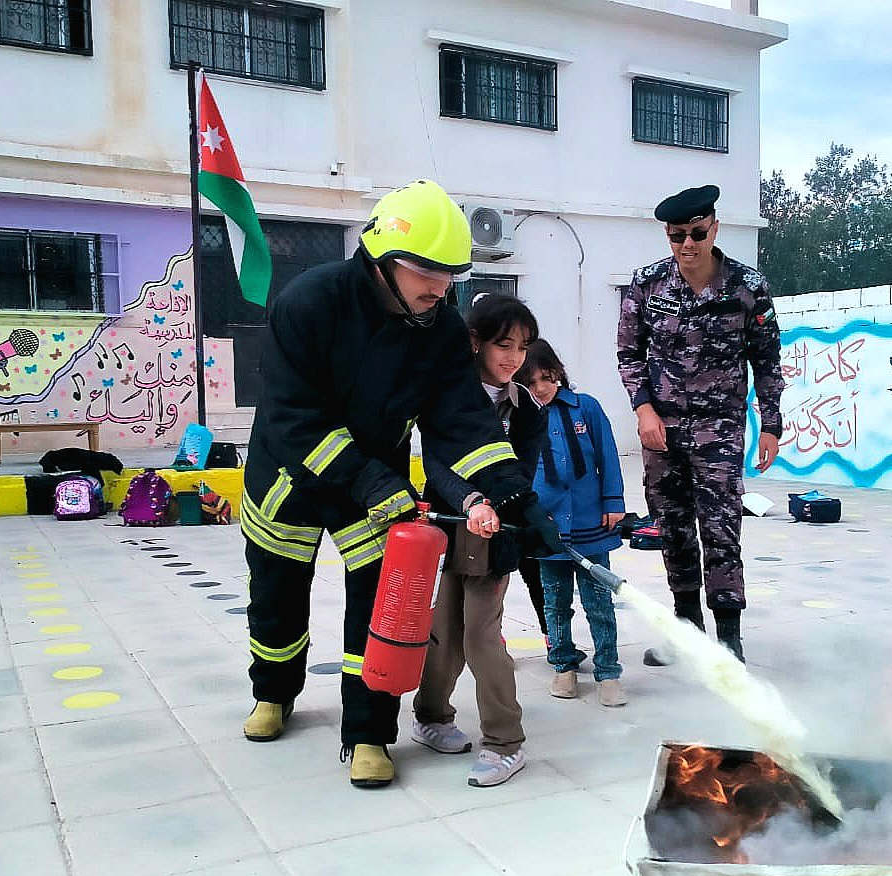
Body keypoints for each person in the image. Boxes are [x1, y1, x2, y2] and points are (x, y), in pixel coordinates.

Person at [240, 180, 561, 789]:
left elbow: (461, 421)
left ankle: (368, 732)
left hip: (376, 486)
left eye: (450, 275)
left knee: (381, 611)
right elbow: (292, 418)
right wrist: (370, 478)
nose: (440, 288)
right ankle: (273, 694)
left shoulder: (439, 330)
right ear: (382, 259)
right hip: (291, 476)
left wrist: (514, 492)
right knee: (277, 598)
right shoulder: (309, 303)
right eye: (426, 271)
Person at [617, 184, 784, 664]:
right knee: (673, 528)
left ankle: (728, 635)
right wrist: (644, 410)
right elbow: (629, 353)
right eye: (676, 237)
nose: (687, 245)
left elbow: (767, 360)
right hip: (662, 432)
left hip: (720, 430)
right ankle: (686, 630)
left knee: (721, 527)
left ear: (714, 228)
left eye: (696, 233)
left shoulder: (748, 288)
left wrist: (769, 424)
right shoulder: (647, 285)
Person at [412, 294, 546, 786]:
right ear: (475, 342)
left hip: (496, 534)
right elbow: (435, 464)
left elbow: (520, 475)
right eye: (503, 345)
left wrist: (497, 511)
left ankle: (505, 743)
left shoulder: (529, 409)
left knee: (480, 634)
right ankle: (430, 716)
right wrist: (470, 502)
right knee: (442, 629)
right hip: (448, 524)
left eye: (522, 347)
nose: (513, 357)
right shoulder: (449, 392)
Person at [516, 338, 628, 706]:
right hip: (548, 528)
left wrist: (614, 502)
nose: (540, 389)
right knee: (555, 603)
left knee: (599, 601)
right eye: (530, 383)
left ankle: (608, 671)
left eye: (546, 379)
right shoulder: (520, 417)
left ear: (558, 373)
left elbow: (609, 457)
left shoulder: (587, 408)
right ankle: (563, 666)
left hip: (591, 522)